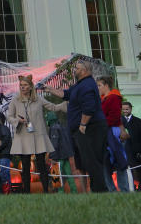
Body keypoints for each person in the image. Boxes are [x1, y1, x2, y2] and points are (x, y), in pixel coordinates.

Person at [42, 60, 108, 193]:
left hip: (90, 129)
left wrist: (83, 124)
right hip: (83, 129)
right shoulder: (80, 85)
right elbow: (65, 94)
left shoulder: (87, 85)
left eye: (76, 68)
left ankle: (100, 191)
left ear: (84, 71)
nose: (74, 70)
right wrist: (49, 89)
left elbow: (89, 108)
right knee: (88, 162)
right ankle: (97, 190)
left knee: (92, 161)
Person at [5, 74, 54, 193]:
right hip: (23, 136)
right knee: (25, 166)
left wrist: (66, 105)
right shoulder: (15, 100)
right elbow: (9, 116)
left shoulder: (38, 99)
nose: (22, 87)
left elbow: (52, 106)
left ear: (31, 86)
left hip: (38, 136)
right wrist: (18, 121)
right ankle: (26, 192)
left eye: (25, 85)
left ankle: (46, 191)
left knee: (41, 165)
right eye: (21, 85)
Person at [94, 76, 129, 192]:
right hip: (106, 131)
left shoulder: (113, 97)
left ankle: (123, 189)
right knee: (106, 162)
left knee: (119, 160)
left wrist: (100, 124)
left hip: (112, 132)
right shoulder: (104, 98)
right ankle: (112, 189)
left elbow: (114, 117)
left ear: (106, 85)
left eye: (99, 85)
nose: (97, 88)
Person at [121, 101, 141, 190]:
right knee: (126, 172)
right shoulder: (119, 121)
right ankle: (129, 189)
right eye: (123, 109)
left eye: (127, 109)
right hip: (123, 151)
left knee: (139, 172)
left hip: (136, 151)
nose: (125, 111)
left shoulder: (138, 121)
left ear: (131, 109)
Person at [0, 113, 12, 194]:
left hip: (4, 154)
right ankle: (6, 191)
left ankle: (7, 191)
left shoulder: (2, 128)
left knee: (4, 173)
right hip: (2, 154)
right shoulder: (2, 128)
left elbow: (4, 140)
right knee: (3, 173)